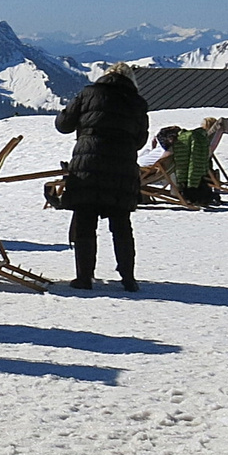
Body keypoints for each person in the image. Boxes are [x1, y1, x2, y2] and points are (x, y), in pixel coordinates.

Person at [54, 62, 150, 291]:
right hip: (122, 167)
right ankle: (128, 278)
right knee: (121, 223)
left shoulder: (89, 93)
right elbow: (140, 141)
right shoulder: (138, 102)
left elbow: (63, 124)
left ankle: (84, 277)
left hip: (89, 163)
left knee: (86, 220)